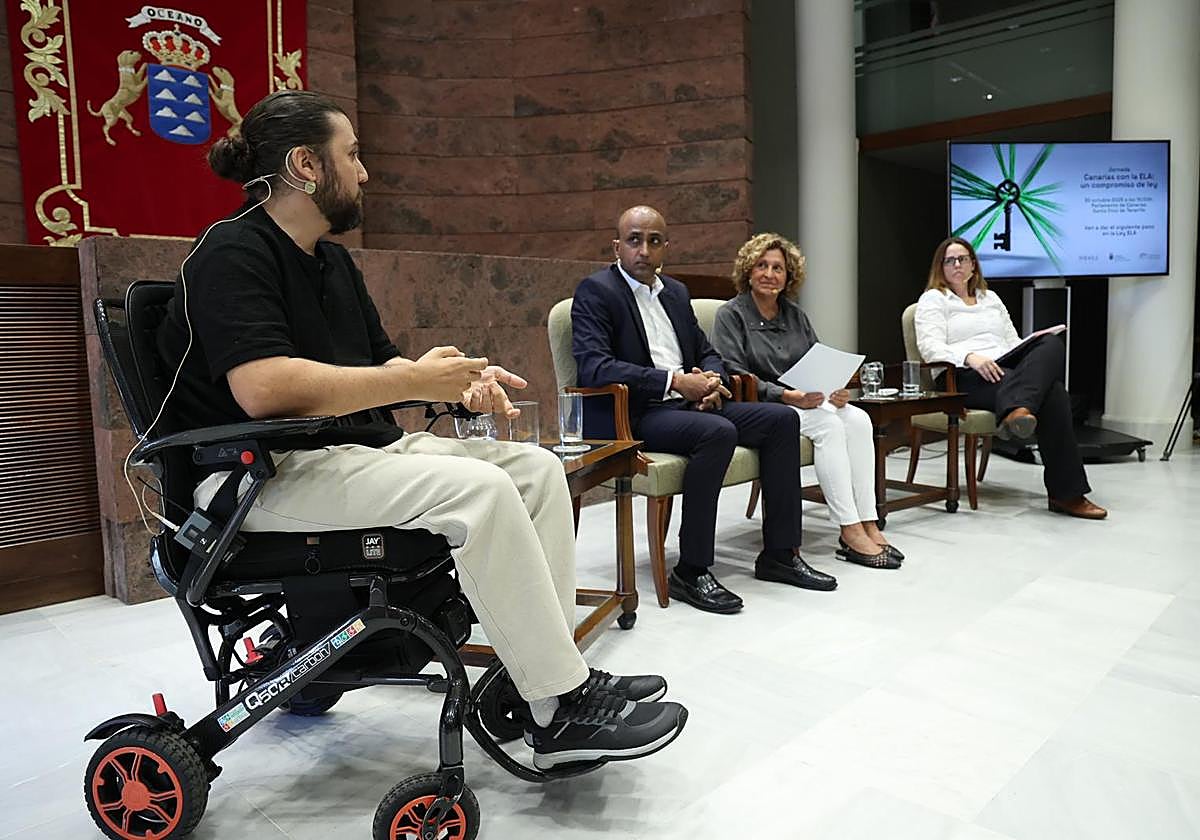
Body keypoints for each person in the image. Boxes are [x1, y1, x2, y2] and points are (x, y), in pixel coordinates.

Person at [154, 90, 687, 771]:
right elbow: (263, 389)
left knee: (537, 471)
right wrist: (413, 380)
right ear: (305, 166)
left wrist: (457, 382)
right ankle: (559, 704)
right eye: (352, 155)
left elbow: (384, 370)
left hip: (340, 453)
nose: (364, 172)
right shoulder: (231, 252)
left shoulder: (333, 264)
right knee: (480, 492)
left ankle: (543, 683)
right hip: (256, 478)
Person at [571, 206, 838, 614]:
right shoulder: (596, 291)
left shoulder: (676, 294)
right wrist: (675, 382)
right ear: (617, 246)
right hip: (633, 414)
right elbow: (594, 367)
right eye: (634, 240)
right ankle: (691, 570)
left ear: (666, 247)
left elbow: (707, 351)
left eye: (654, 241)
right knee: (717, 432)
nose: (644, 250)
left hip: (687, 406)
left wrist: (712, 382)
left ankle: (780, 555)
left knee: (782, 420)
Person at [711, 233, 903, 568]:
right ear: (748, 271)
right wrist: (785, 395)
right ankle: (849, 530)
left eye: (778, 268)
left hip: (805, 401)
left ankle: (868, 522)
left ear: (789, 276)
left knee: (859, 419)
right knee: (829, 425)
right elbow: (732, 372)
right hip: (764, 407)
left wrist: (834, 388)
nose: (770, 274)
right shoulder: (731, 314)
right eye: (762, 266)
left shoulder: (796, 315)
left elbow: (818, 359)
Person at [914, 236, 1106, 520]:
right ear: (940, 268)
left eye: (962, 259)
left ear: (973, 266)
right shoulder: (933, 299)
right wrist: (970, 357)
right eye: (949, 260)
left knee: (1051, 343)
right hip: (960, 376)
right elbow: (930, 348)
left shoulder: (991, 299)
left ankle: (1017, 408)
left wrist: (1023, 352)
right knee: (1054, 395)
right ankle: (1066, 495)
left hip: (1003, 368)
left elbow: (1012, 341)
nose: (956, 265)